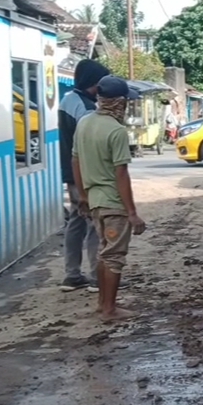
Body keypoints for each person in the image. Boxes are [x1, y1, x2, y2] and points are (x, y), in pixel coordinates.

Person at [72, 76, 148, 321]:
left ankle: (103, 304)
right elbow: (121, 173)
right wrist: (132, 212)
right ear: (120, 102)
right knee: (114, 256)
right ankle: (109, 309)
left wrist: (82, 195)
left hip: (94, 200)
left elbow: (75, 160)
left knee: (104, 252)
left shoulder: (84, 122)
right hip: (113, 203)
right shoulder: (116, 131)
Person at [57, 59, 109, 292]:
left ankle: (72, 275)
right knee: (95, 222)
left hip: (72, 172)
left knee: (77, 221)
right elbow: (87, 146)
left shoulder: (68, 100)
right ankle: (97, 277)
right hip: (86, 173)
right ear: (94, 83)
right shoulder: (85, 108)